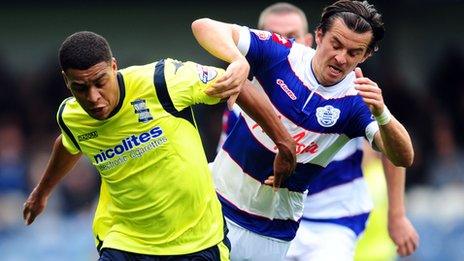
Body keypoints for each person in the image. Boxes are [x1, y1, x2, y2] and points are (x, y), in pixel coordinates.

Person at [22, 31, 296, 260]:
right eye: (80, 88)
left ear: (114, 66)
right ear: (66, 81)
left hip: (197, 240)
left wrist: (284, 144)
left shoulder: (162, 81)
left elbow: (235, 84)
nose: (93, 97)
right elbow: (70, 143)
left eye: (100, 82)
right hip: (124, 241)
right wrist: (42, 191)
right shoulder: (71, 116)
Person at [191, 0, 415, 260]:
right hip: (217, 203)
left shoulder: (359, 100)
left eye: (354, 53)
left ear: (366, 56)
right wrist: (236, 60)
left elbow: (402, 157)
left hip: (281, 225)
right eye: (336, 44)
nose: (341, 58)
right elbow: (203, 26)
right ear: (319, 36)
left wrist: (382, 113)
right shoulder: (281, 54)